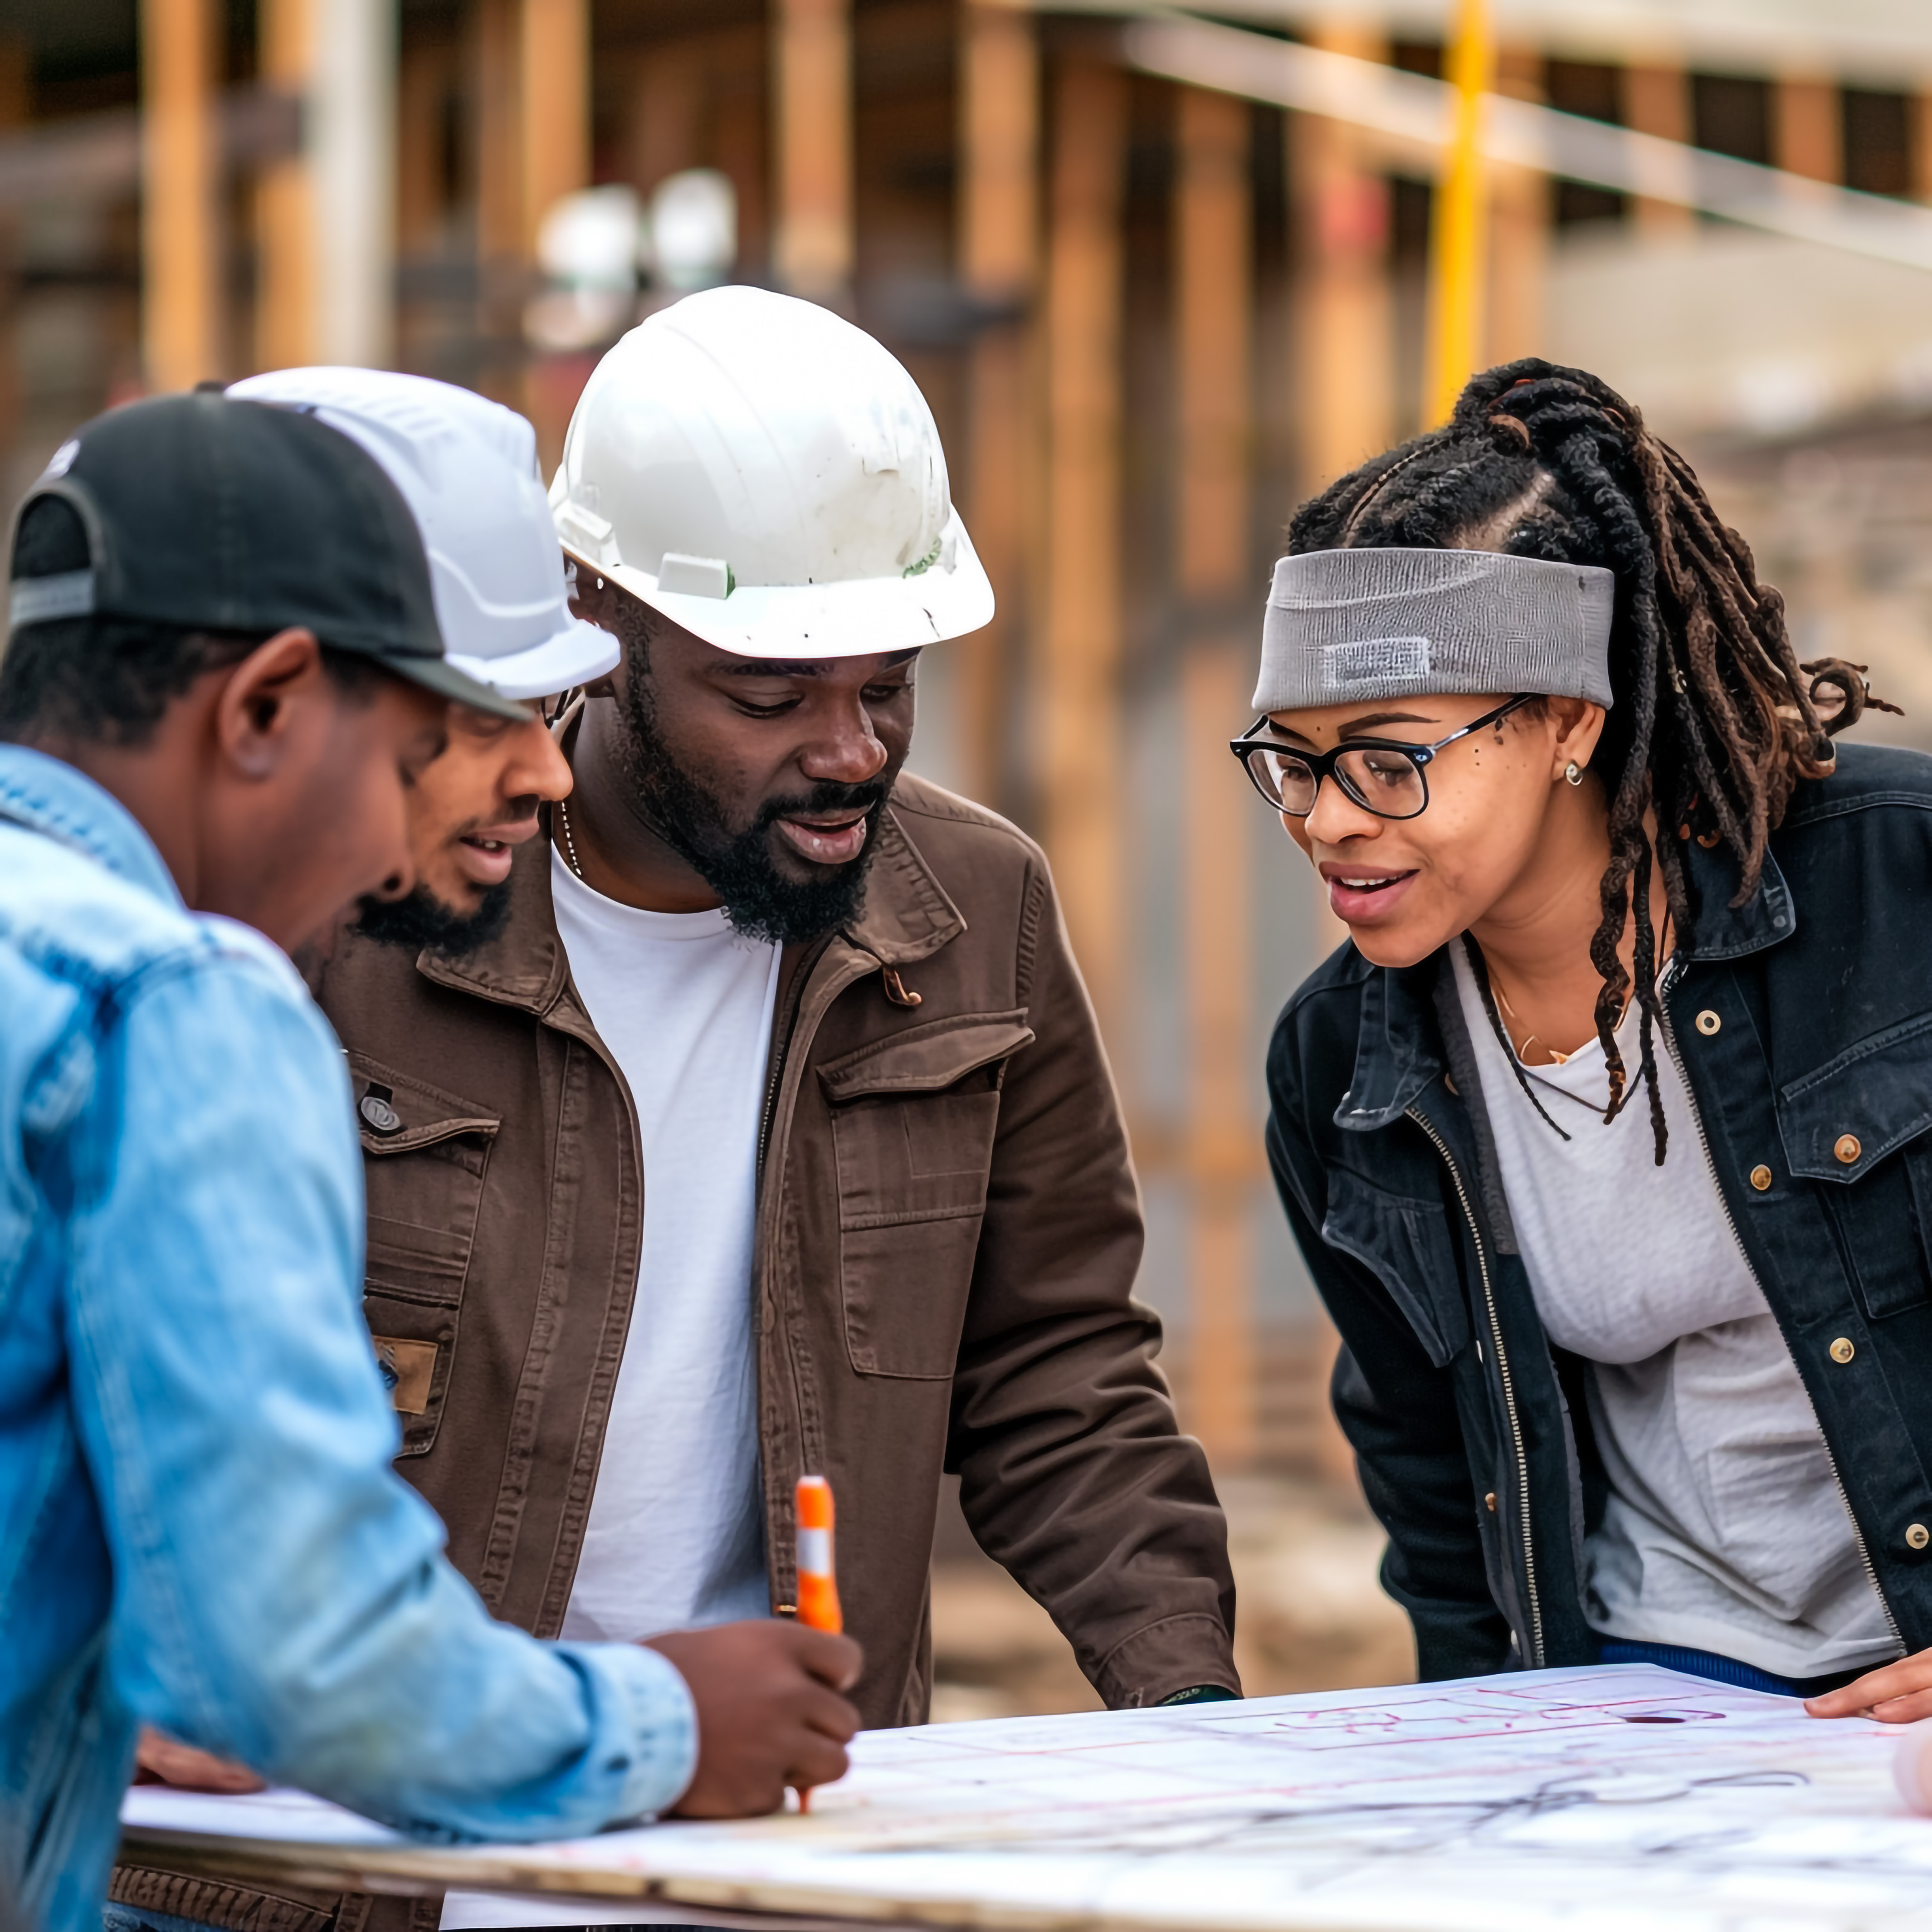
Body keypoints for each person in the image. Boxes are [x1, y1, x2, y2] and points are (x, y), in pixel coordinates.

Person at [255, 286, 1240, 1932]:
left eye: (889, 685)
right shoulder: (375, 904)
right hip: (347, 1851)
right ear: (598, 622)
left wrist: (1196, 1714)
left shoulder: (973, 910)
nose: (849, 751)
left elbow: (1056, 1371)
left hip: (764, 1842)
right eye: (770, 696)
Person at [0, 390, 861, 1932]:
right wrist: (665, 1724)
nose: (538, 781)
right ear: (266, 708)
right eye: (431, 740)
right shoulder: (166, 1009)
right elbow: (296, 1652)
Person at [1249, 357, 1932, 1713]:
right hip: (1650, 1687)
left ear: (1569, 719)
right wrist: (1489, 1762)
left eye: (1391, 759)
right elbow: (1438, 1502)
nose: (1328, 819)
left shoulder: (1900, 887)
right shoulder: (1343, 1067)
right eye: (1293, 760)